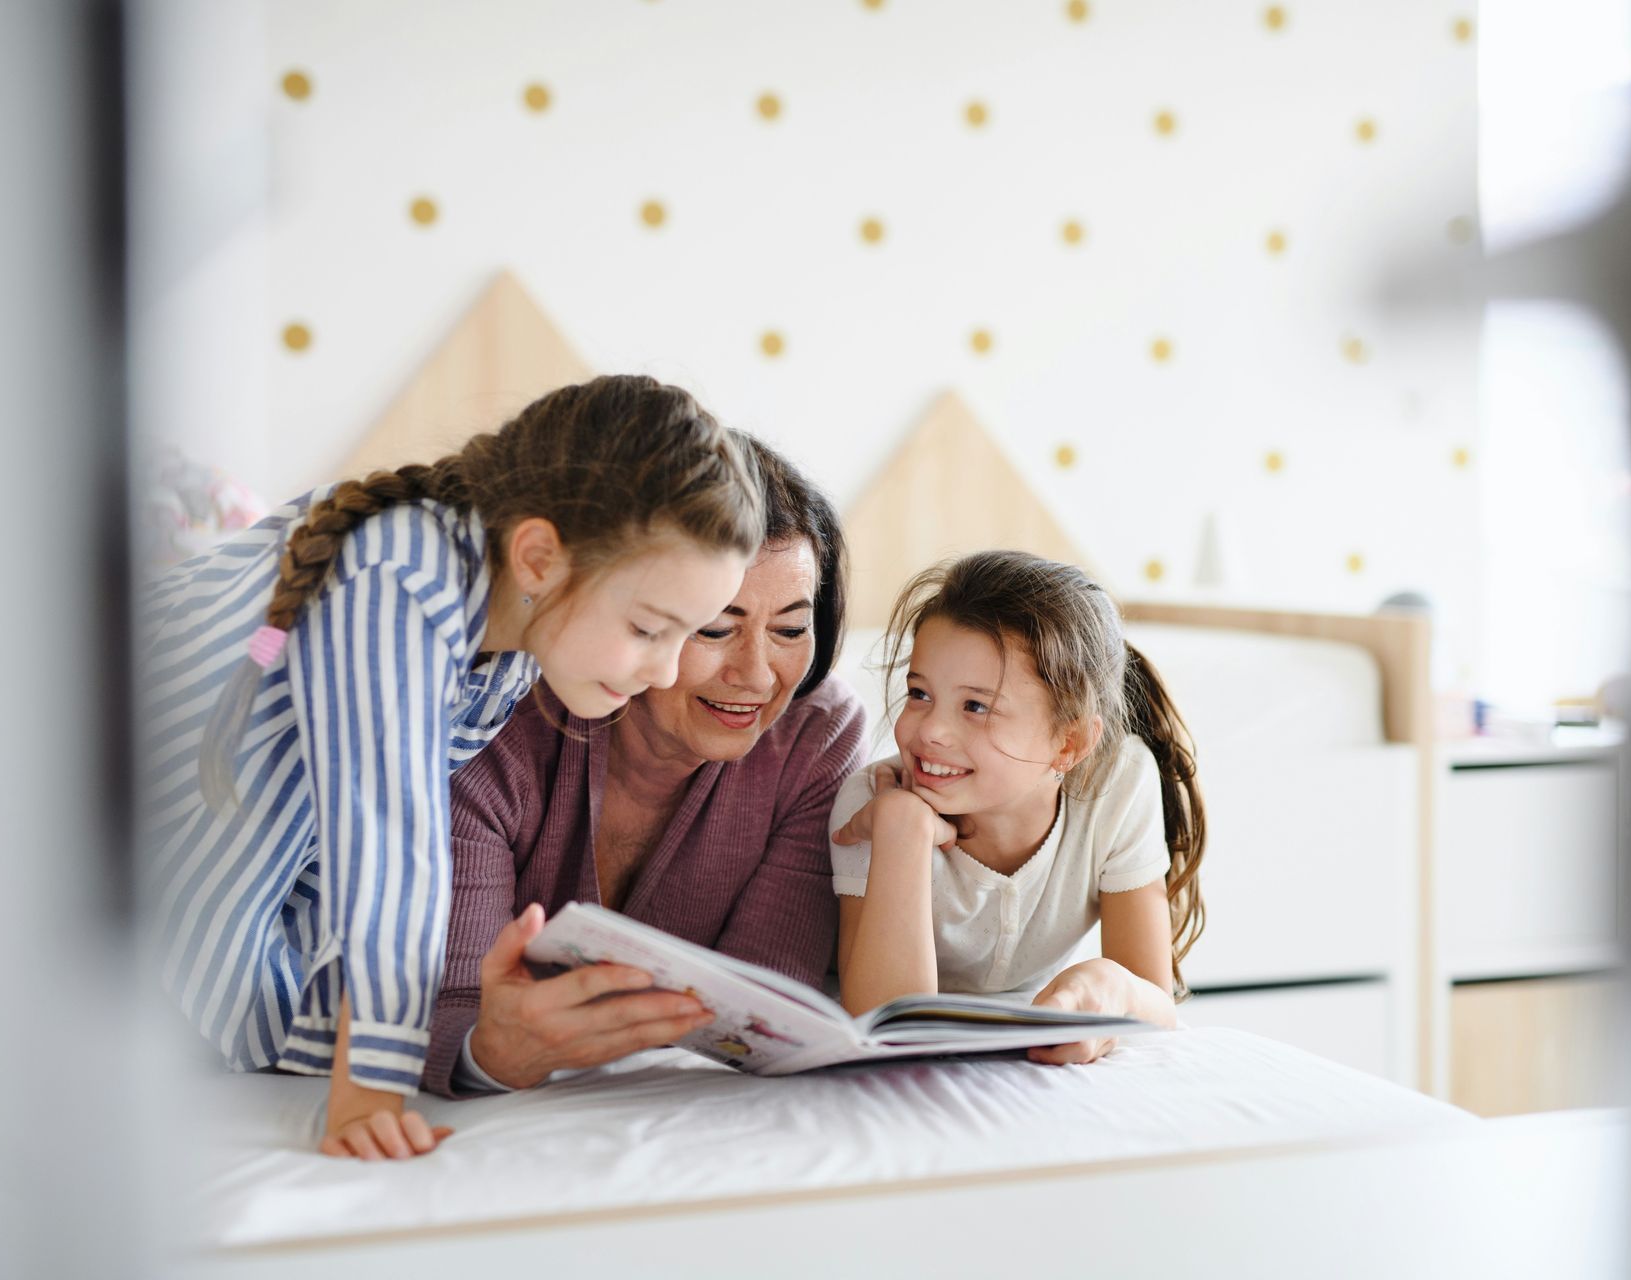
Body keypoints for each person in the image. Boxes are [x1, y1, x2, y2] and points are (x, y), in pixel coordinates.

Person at [138, 375, 762, 1159]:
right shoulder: (401, 577)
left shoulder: (510, 648)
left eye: (686, 635)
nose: (667, 673)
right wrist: (369, 1095)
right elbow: (388, 852)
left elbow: (317, 863)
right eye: (647, 628)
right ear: (538, 556)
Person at [424, 436, 866, 1098]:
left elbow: (764, 1008)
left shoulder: (816, 736)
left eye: (791, 630)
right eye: (716, 629)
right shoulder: (500, 720)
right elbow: (443, 1006)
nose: (755, 675)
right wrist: (490, 1053)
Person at [828, 550, 1206, 1063]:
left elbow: (1156, 1003)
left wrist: (1108, 986)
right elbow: (886, 1027)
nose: (930, 730)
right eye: (919, 693)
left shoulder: (1115, 785)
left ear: (1070, 744)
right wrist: (902, 831)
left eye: (976, 706)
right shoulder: (874, 803)